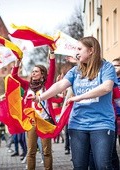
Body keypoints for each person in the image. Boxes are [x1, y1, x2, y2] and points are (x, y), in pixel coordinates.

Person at [28, 36, 117, 169]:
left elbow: (106, 87)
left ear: (91, 50)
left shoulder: (106, 67)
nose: (77, 52)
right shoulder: (75, 71)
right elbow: (59, 86)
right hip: (77, 125)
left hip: (102, 124)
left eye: (80, 49)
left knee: (102, 166)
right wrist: (40, 98)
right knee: (79, 166)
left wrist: (79, 97)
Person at [12, 48, 55, 170]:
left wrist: (52, 54)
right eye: (33, 71)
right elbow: (14, 76)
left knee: (46, 151)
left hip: (45, 121)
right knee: (31, 151)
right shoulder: (27, 86)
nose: (33, 73)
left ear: (42, 74)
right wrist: (17, 62)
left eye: (36, 71)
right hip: (31, 122)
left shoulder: (47, 85)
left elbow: (52, 70)